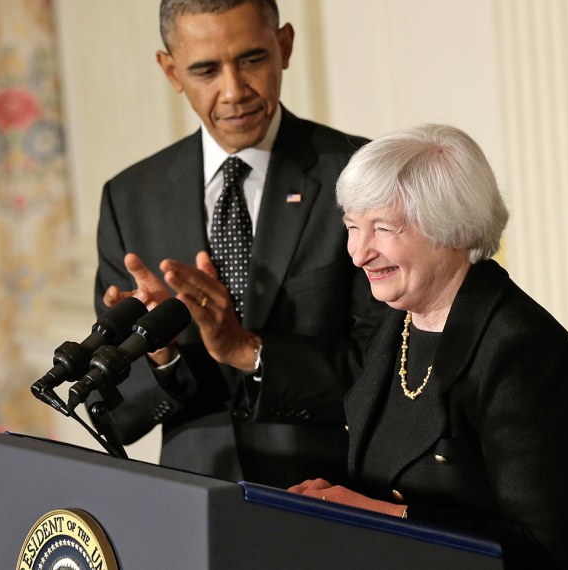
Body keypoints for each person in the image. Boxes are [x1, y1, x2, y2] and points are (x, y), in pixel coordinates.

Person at [288, 124, 568, 569]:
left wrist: (373, 513)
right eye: (353, 226)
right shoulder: (397, 324)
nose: (358, 252)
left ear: (451, 229)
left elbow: (542, 547)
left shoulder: (522, 351)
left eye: (383, 228)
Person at [91, 0, 383, 488]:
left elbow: (389, 373)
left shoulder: (358, 174)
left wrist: (250, 350)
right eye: (205, 69)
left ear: (284, 46)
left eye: (251, 60)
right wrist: (161, 356)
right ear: (171, 71)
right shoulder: (129, 198)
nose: (234, 91)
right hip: (196, 502)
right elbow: (116, 412)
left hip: (330, 496)